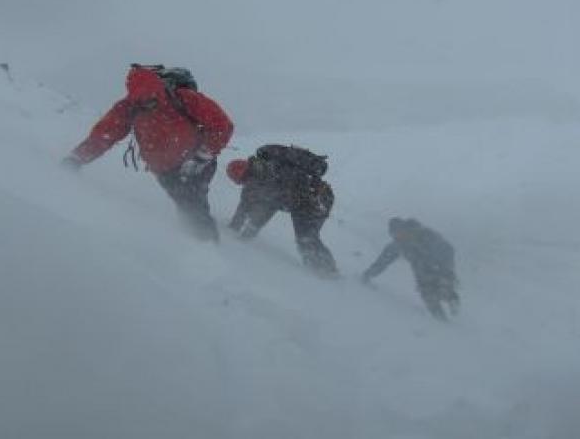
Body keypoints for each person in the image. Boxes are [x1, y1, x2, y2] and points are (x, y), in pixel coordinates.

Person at [63, 64, 233, 241]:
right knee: (188, 205)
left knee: (191, 204)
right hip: (177, 168)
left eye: (153, 100)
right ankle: (199, 244)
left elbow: (223, 126)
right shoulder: (137, 106)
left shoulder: (167, 100)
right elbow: (104, 136)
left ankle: (202, 246)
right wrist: (76, 158)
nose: (150, 106)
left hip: (184, 166)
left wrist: (200, 157)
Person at [225, 145, 339, 276]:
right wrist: (237, 228)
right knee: (306, 238)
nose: (247, 184)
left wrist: (246, 232)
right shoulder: (265, 172)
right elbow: (247, 205)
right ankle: (319, 269)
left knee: (306, 238)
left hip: (314, 201)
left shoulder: (267, 178)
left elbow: (262, 210)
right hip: (315, 199)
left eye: (244, 180)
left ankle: (327, 271)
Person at [362, 217, 460, 320]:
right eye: (394, 234)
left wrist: (446, 270)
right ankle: (441, 321)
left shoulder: (425, 234)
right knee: (429, 297)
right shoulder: (399, 245)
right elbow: (383, 260)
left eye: (399, 232)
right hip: (422, 274)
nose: (398, 236)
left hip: (440, 268)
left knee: (443, 288)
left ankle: (453, 300)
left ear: (404, 228)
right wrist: (368, 274)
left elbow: (447, 249)